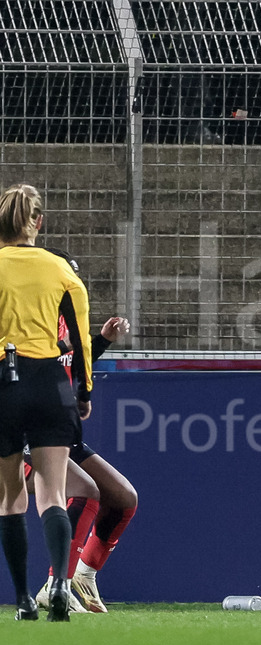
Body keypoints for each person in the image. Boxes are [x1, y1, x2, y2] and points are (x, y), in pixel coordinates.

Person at [0, 183, 92, 621]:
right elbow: (80, 338)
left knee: (10, 495)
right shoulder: (59, 269)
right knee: (53, 491)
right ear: (39, 222)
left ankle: (22, 599)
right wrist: (84, 392)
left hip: (4, 381)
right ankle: (59, 584)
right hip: (51, 383)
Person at [30, 312, 137, 614]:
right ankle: (56, 585)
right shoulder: (24, 312)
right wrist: (63, 346)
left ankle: (83, 574)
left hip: (62, 432)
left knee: (124, 499)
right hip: (28, 433)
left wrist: (101, 341)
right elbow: (25, 366)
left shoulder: (64, 315)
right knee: (84, 491)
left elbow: (71, 363)